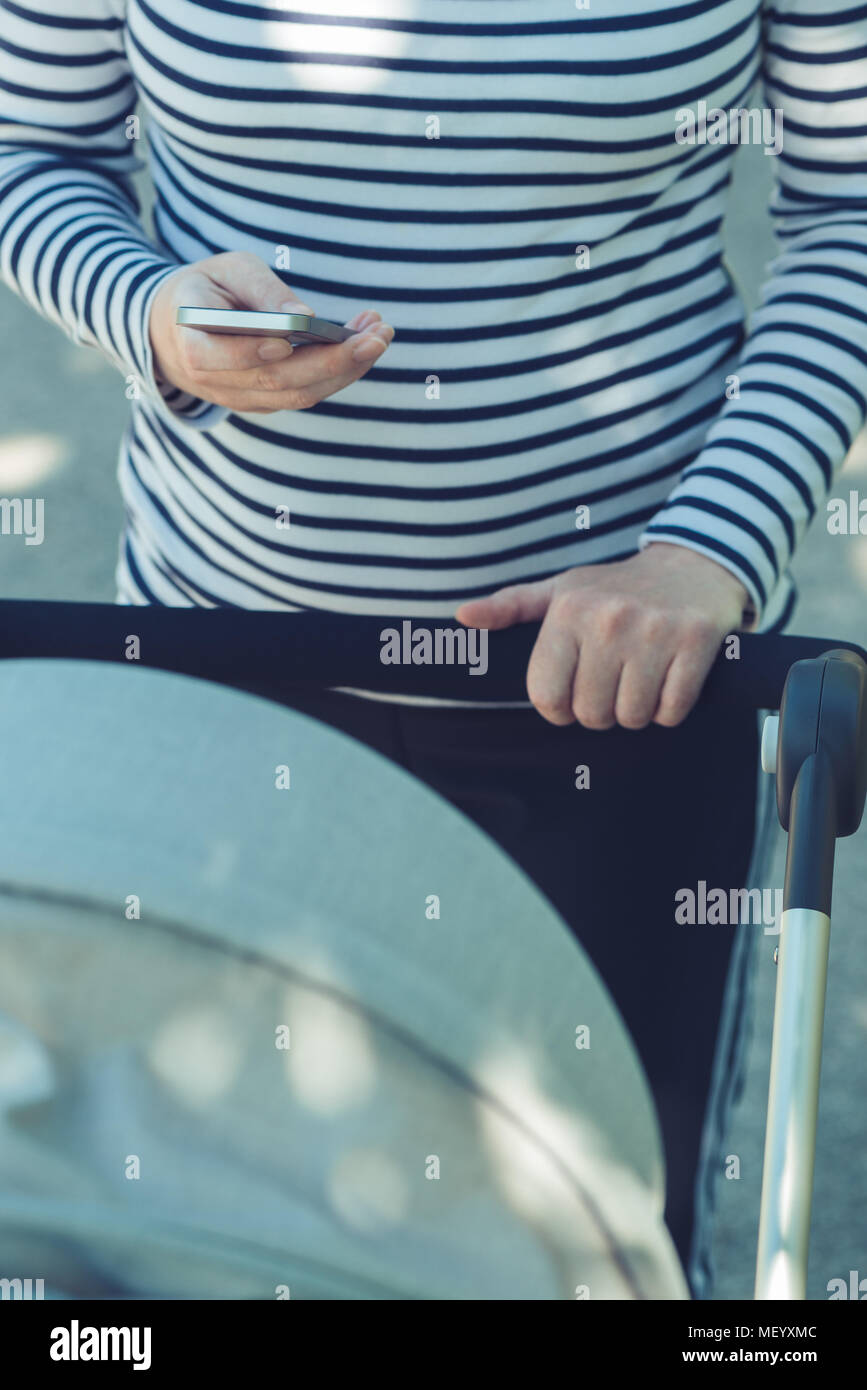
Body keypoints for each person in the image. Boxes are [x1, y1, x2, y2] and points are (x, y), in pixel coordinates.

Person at [1, 0, 865, 1297]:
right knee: (209, 1240)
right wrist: (153, 312)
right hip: (221, 687)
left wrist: (710, 550)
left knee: (590, 1241)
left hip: (622, 689)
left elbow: (849, 206)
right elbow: (33, 151)